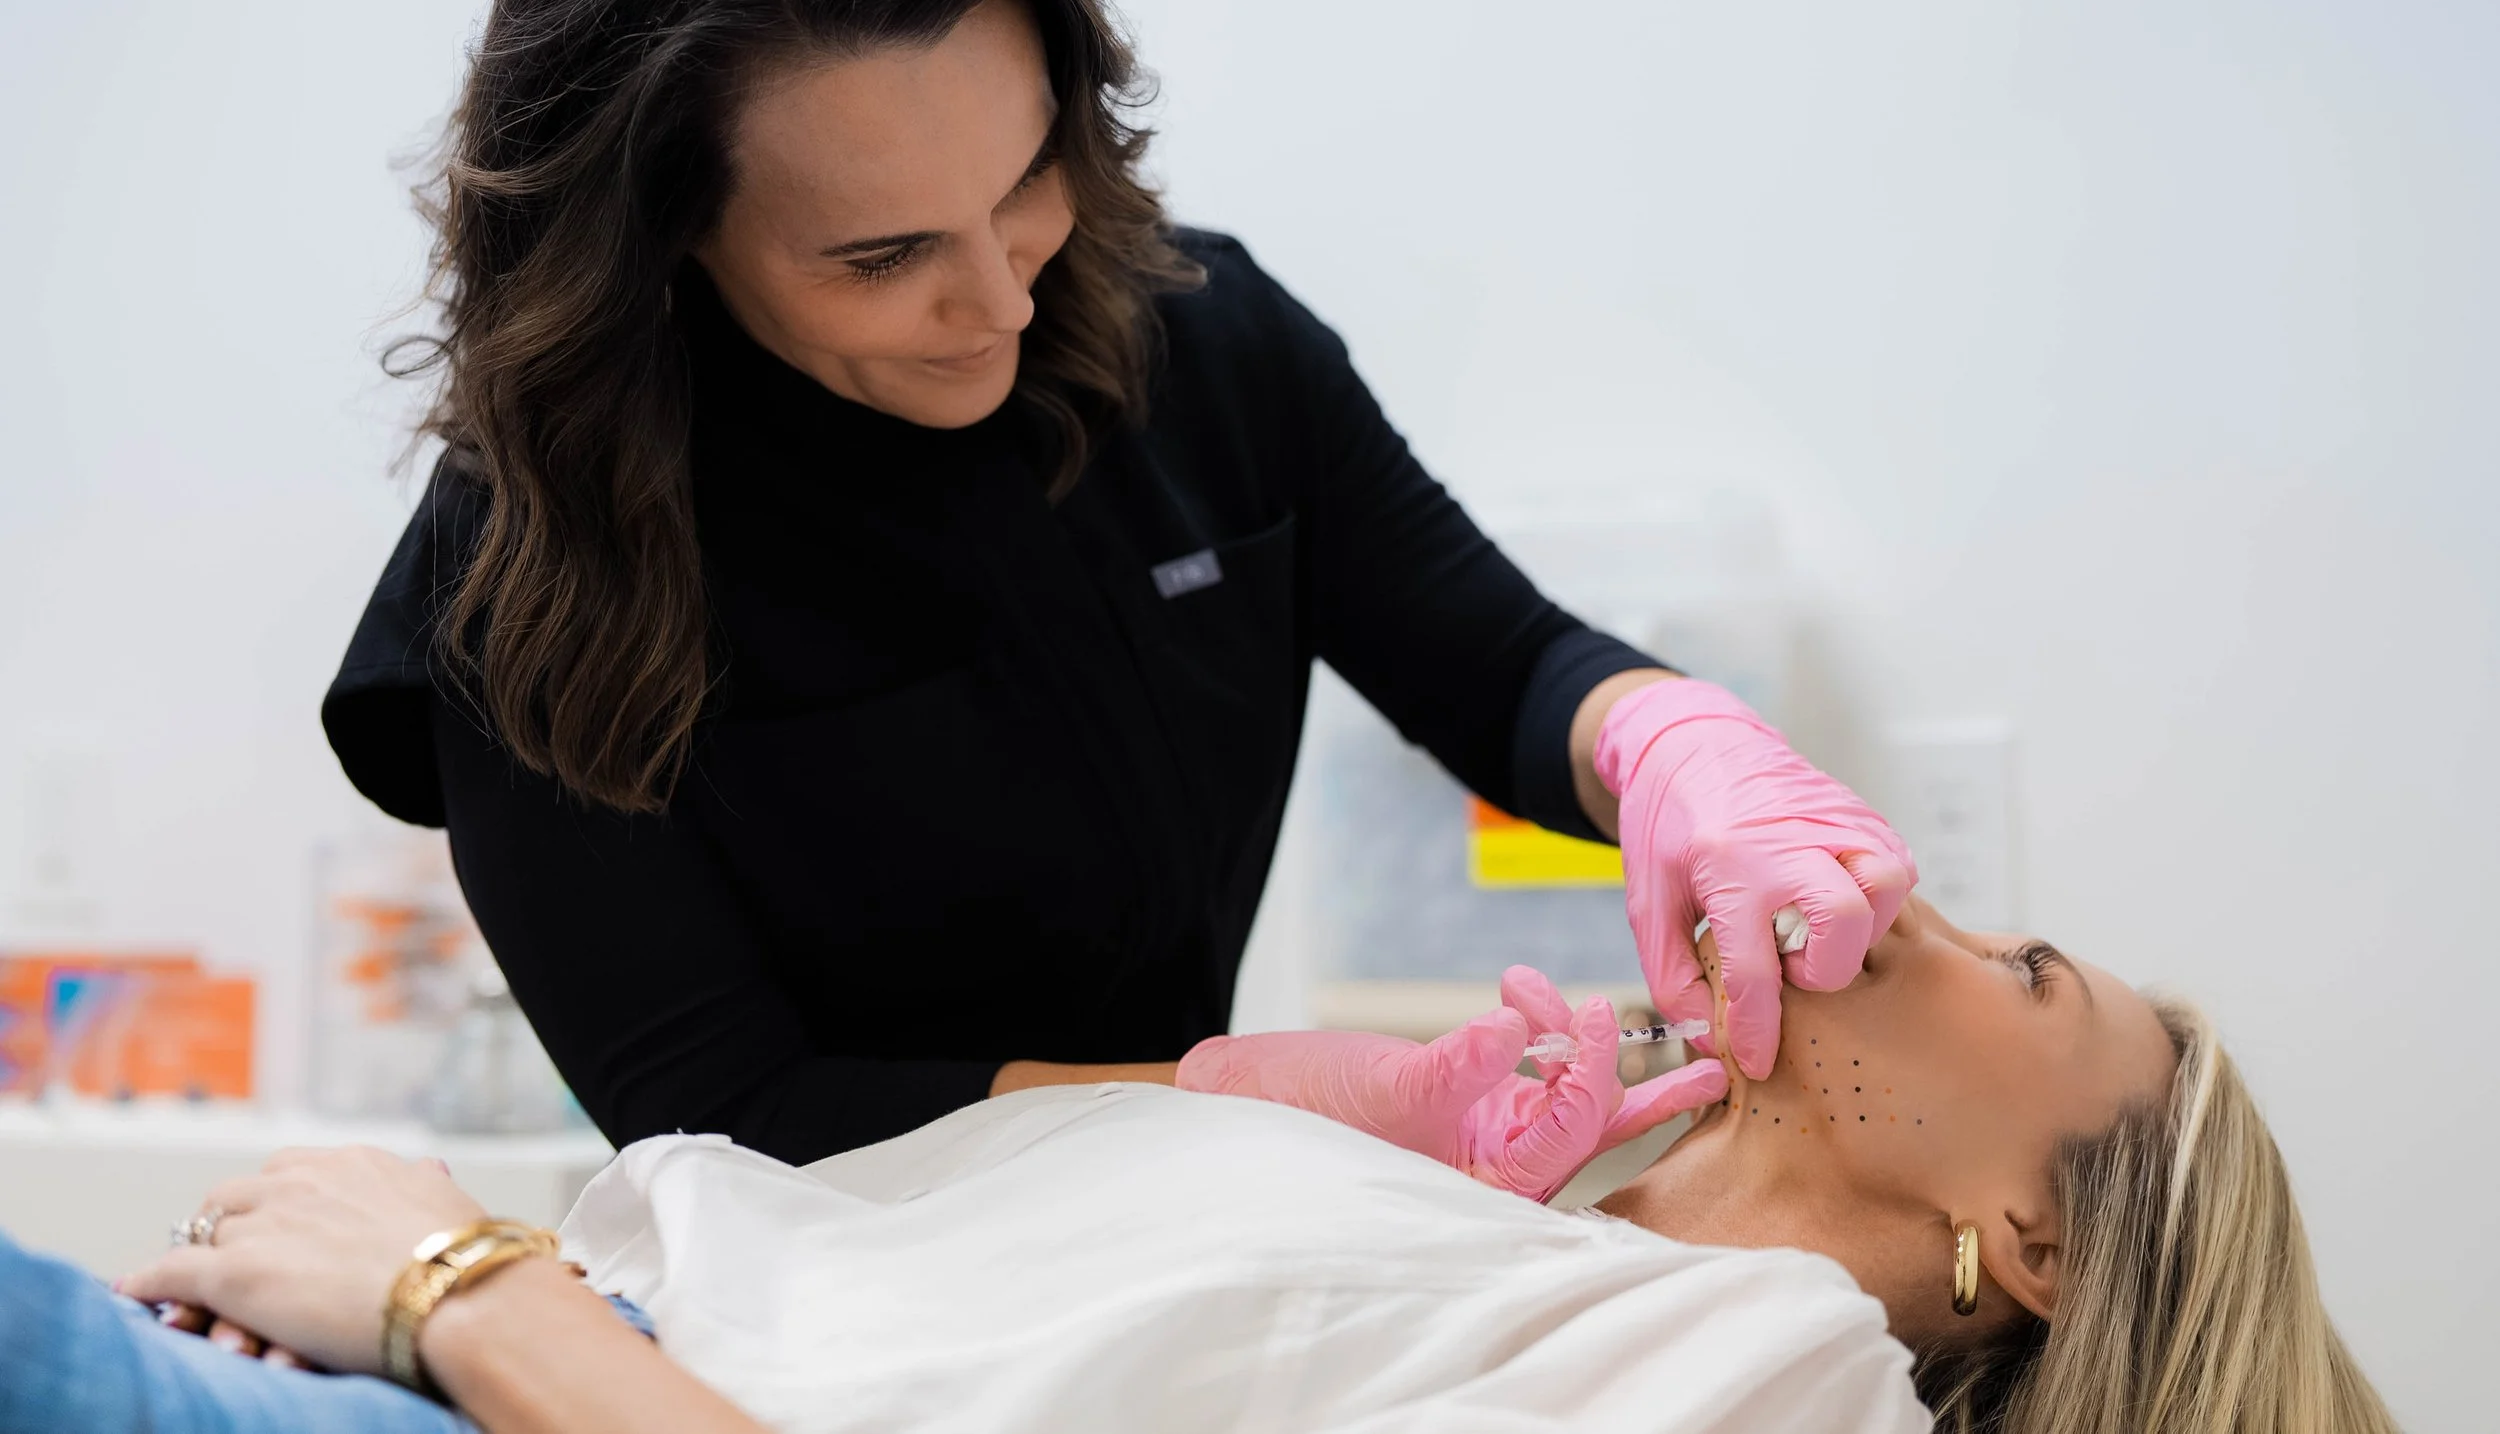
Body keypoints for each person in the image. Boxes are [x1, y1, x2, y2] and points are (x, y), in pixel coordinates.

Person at [321, 0, 1912, 1166]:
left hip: (1188, 1239)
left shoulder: (1199, 344)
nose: (1001, 295)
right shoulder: (526, 571)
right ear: (656, 246)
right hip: (820, 1312)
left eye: (1025, 180)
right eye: (882, 258)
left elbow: (1501, 669)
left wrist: (1678, 744)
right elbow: (730, 1109)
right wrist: (1263, 1104)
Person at [11, 898, 2394, 1434]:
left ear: (2046, 1239)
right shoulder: (1553, 1244)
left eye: (2030, 969)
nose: (1910, 911)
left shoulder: (1769, 1379)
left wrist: (451, 1277)